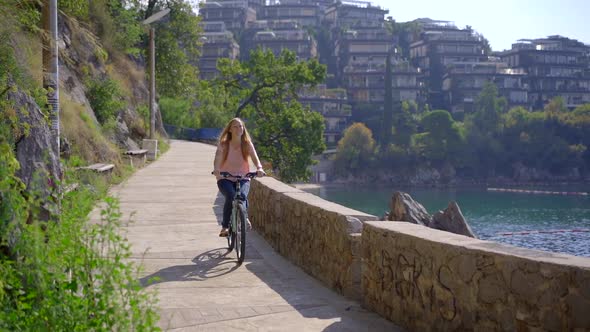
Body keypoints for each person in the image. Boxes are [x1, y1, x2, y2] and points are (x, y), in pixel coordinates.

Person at [212, 118, 265, 237]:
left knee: (242, 196)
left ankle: (244, 218)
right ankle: (225, 227)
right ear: (230, 130)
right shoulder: (224, 144)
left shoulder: (247, 144)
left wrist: (259, 168)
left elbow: (255, 157)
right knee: (230, 196)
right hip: (225, 177)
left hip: (243, 177)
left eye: (240, 126)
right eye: (235, 127)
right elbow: (217, 159)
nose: (238, 129)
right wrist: (217, 170)